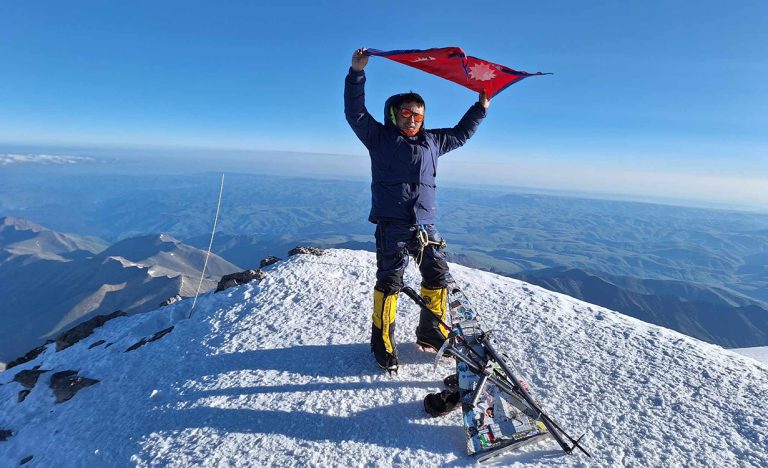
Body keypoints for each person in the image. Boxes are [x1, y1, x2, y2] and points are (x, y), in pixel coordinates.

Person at [344, 47, 490, 372]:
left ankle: (431, 332)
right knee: (390, 282)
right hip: (392, 225)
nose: (412, 119)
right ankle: (381, 341)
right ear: (394, 114)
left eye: (419, 115)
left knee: (437, 278)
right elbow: (355, 113)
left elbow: (461, 134)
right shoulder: (379, 138)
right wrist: (357, 73)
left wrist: (480, 107)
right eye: (406, 114)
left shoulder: (433, 142)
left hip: (426, 227)